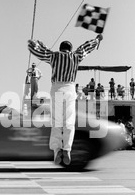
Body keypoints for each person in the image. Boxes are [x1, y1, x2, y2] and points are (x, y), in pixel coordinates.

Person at [28, 34, 103, 165]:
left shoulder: (54, 56)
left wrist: (32, 44)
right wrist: (97, 40)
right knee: (68, 120)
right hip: (69, 88)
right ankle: (67, 149)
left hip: (56, 88)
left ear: (60, 48)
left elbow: (39, 51)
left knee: (57, 121)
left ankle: (57, 150)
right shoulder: (76, 56)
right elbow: (86, 47)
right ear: (70, 49)